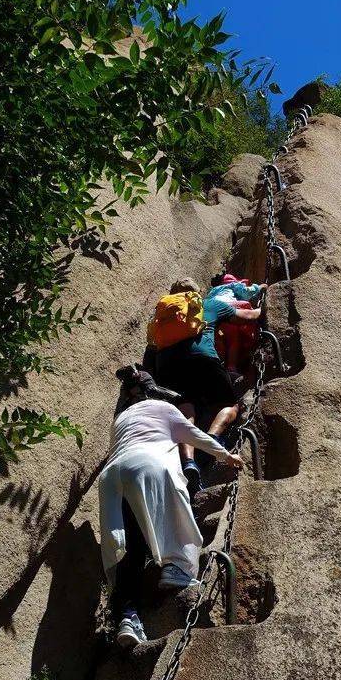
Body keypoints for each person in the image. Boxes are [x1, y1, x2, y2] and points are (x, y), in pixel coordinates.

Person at [99, 366, 243, 649]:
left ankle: (128, 617)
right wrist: (226, 456)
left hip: (112, 477)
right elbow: (194, 435)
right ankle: (176, 567)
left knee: (132, 546)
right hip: (149, 466)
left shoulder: (121, 418)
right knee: (177, 508)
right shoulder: (164, 409)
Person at [151, 275, 263, 496]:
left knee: (185, 406)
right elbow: (248, 316)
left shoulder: (162, 317)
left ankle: (189, 462)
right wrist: (263, 305)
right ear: (196, 293)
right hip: (202, 358)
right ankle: (212, 437)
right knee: (230, 404)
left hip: (166, 365)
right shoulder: (206, 305)